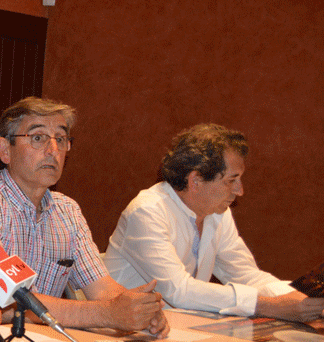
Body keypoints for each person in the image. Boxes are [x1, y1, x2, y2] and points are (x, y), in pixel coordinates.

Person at [0, 97, 168, 336]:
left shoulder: (67, 210)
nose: (53, 150)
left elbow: (102, 289)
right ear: (5, 150)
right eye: (38, 138)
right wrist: (109, 313)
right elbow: (7, 304)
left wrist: (138, 309)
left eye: (60, 139)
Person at [105, 124, 324, 322]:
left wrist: (299, 297)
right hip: (124, 337)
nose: (240, 191)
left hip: (178, 331)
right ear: (196, 181)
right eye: (231, 181)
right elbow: (179, 292)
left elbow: (246, 276)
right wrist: (268, 306)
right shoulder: (147, 211)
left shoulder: (218, 212)